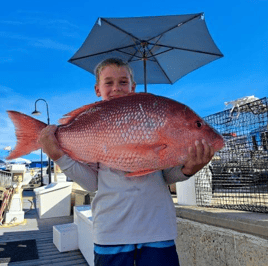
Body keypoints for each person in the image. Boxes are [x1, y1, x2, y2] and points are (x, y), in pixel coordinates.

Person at [39, 58, 215, 266]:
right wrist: (57, 155)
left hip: (157, 229)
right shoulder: (93, 120)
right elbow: (92, 184)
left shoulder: (154, 116)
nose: (116, 88)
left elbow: (165, 175)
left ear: (133, 86)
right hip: (111, 232)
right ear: (98, 89)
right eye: (108, 82)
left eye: (123, 82)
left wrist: (188, 170)